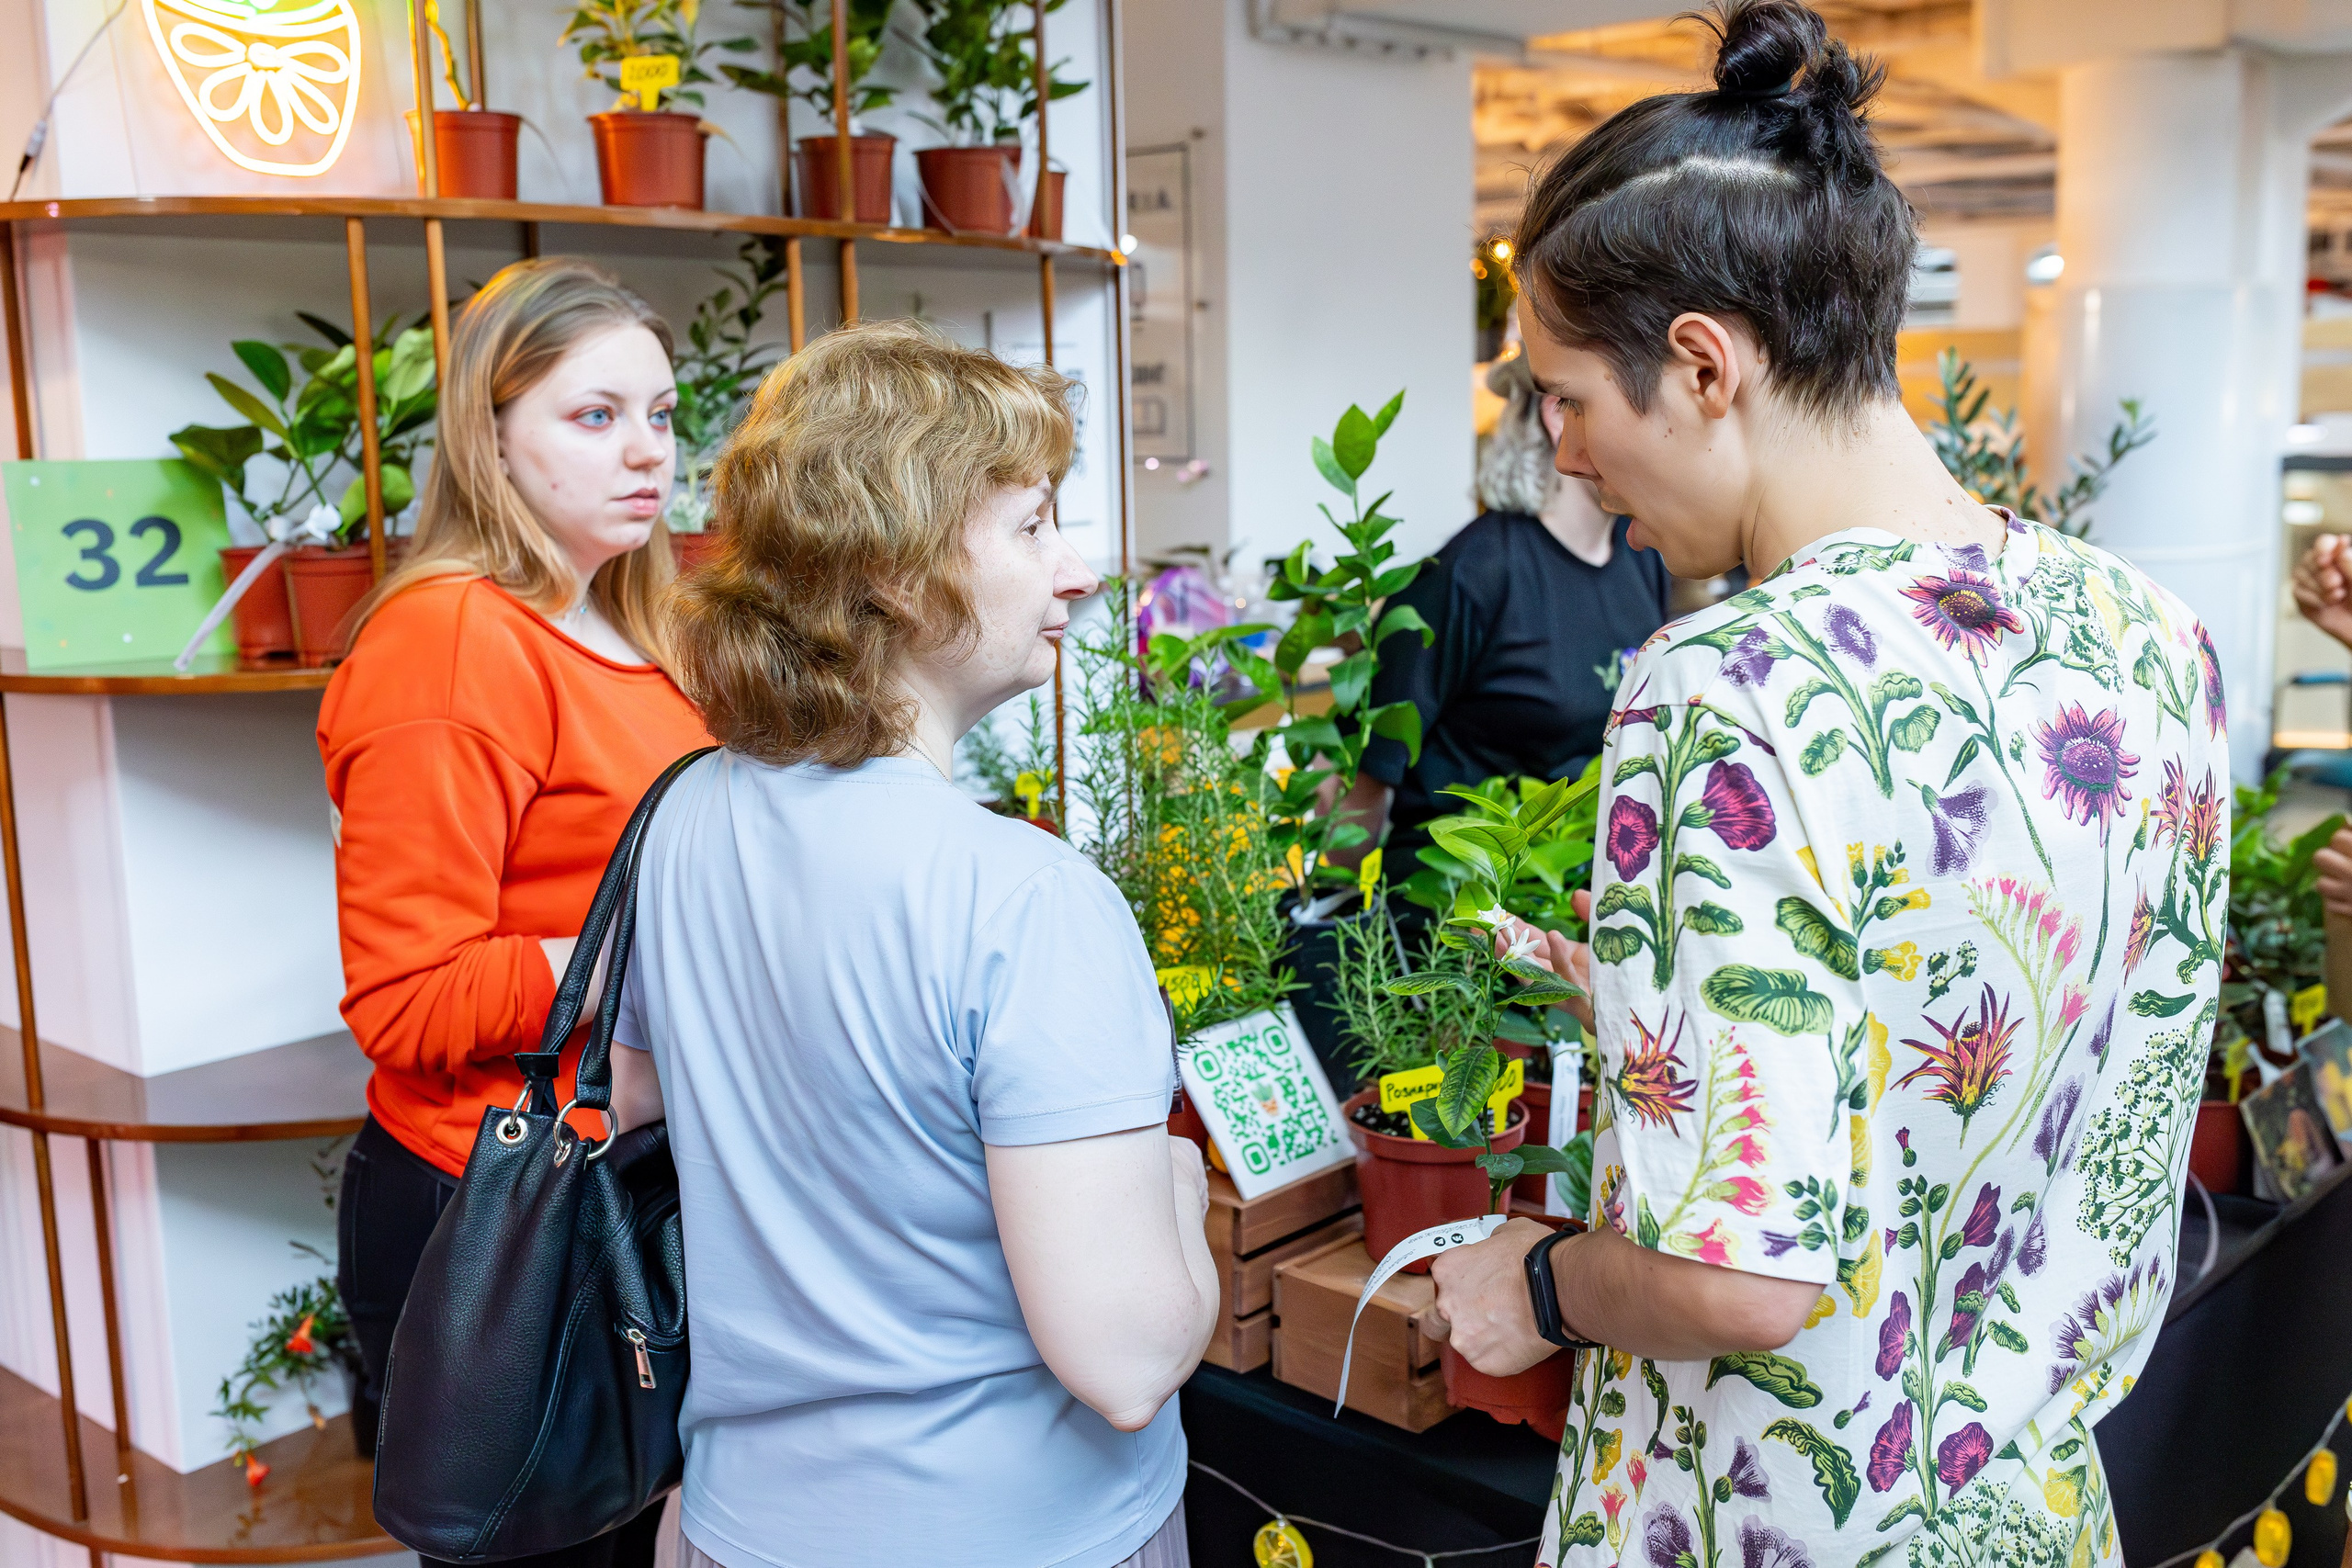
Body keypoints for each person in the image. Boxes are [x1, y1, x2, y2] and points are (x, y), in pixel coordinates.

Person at [1421, 6, 2228, 1565]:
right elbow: (2020, 1051)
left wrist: (1535, 1280)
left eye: (1568, 398)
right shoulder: (2154, 639)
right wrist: (1674, 1006)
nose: (1566, 455)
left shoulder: (1726, 681)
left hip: (1773, 1525)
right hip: (2032, 1510)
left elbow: (1741, 1285)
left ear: (1705, 365)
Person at [603, 320, 1216, 1568]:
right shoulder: (1023, 896)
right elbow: (1126, 1360)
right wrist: (1180, 1192)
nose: (1079, 569)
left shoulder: (678, 815)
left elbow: (644, 1097)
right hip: (1022, 1533)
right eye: (1033, 525)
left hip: (735, 1525)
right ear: (892, 568)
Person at [318, 258, 710, 1568]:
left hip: (609, 1183)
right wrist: (649, 964)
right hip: (489, 1215)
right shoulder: (451, 639)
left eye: (660, 413)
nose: (645, 451)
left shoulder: (628, 624)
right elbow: (405, 996)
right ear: (491, 436)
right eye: (593, 416)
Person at [1340, 350, 1675, 886]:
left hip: (1575, 897)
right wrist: (1326, 914)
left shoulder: (1642, 557)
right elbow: (1369, 773)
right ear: (1561, 413)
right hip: (1461, 909)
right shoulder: (1470, 574)